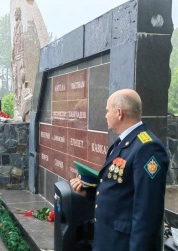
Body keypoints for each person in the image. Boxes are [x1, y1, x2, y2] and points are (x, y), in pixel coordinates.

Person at [70, 89, 170, 251]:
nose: (105, 115)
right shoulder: (124, 143)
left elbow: (147, 212)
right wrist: (88, 192)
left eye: (107, 110)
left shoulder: (148, 147)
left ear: (119, 113)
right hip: (109, 240)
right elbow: (121, 193)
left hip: (124, 244)